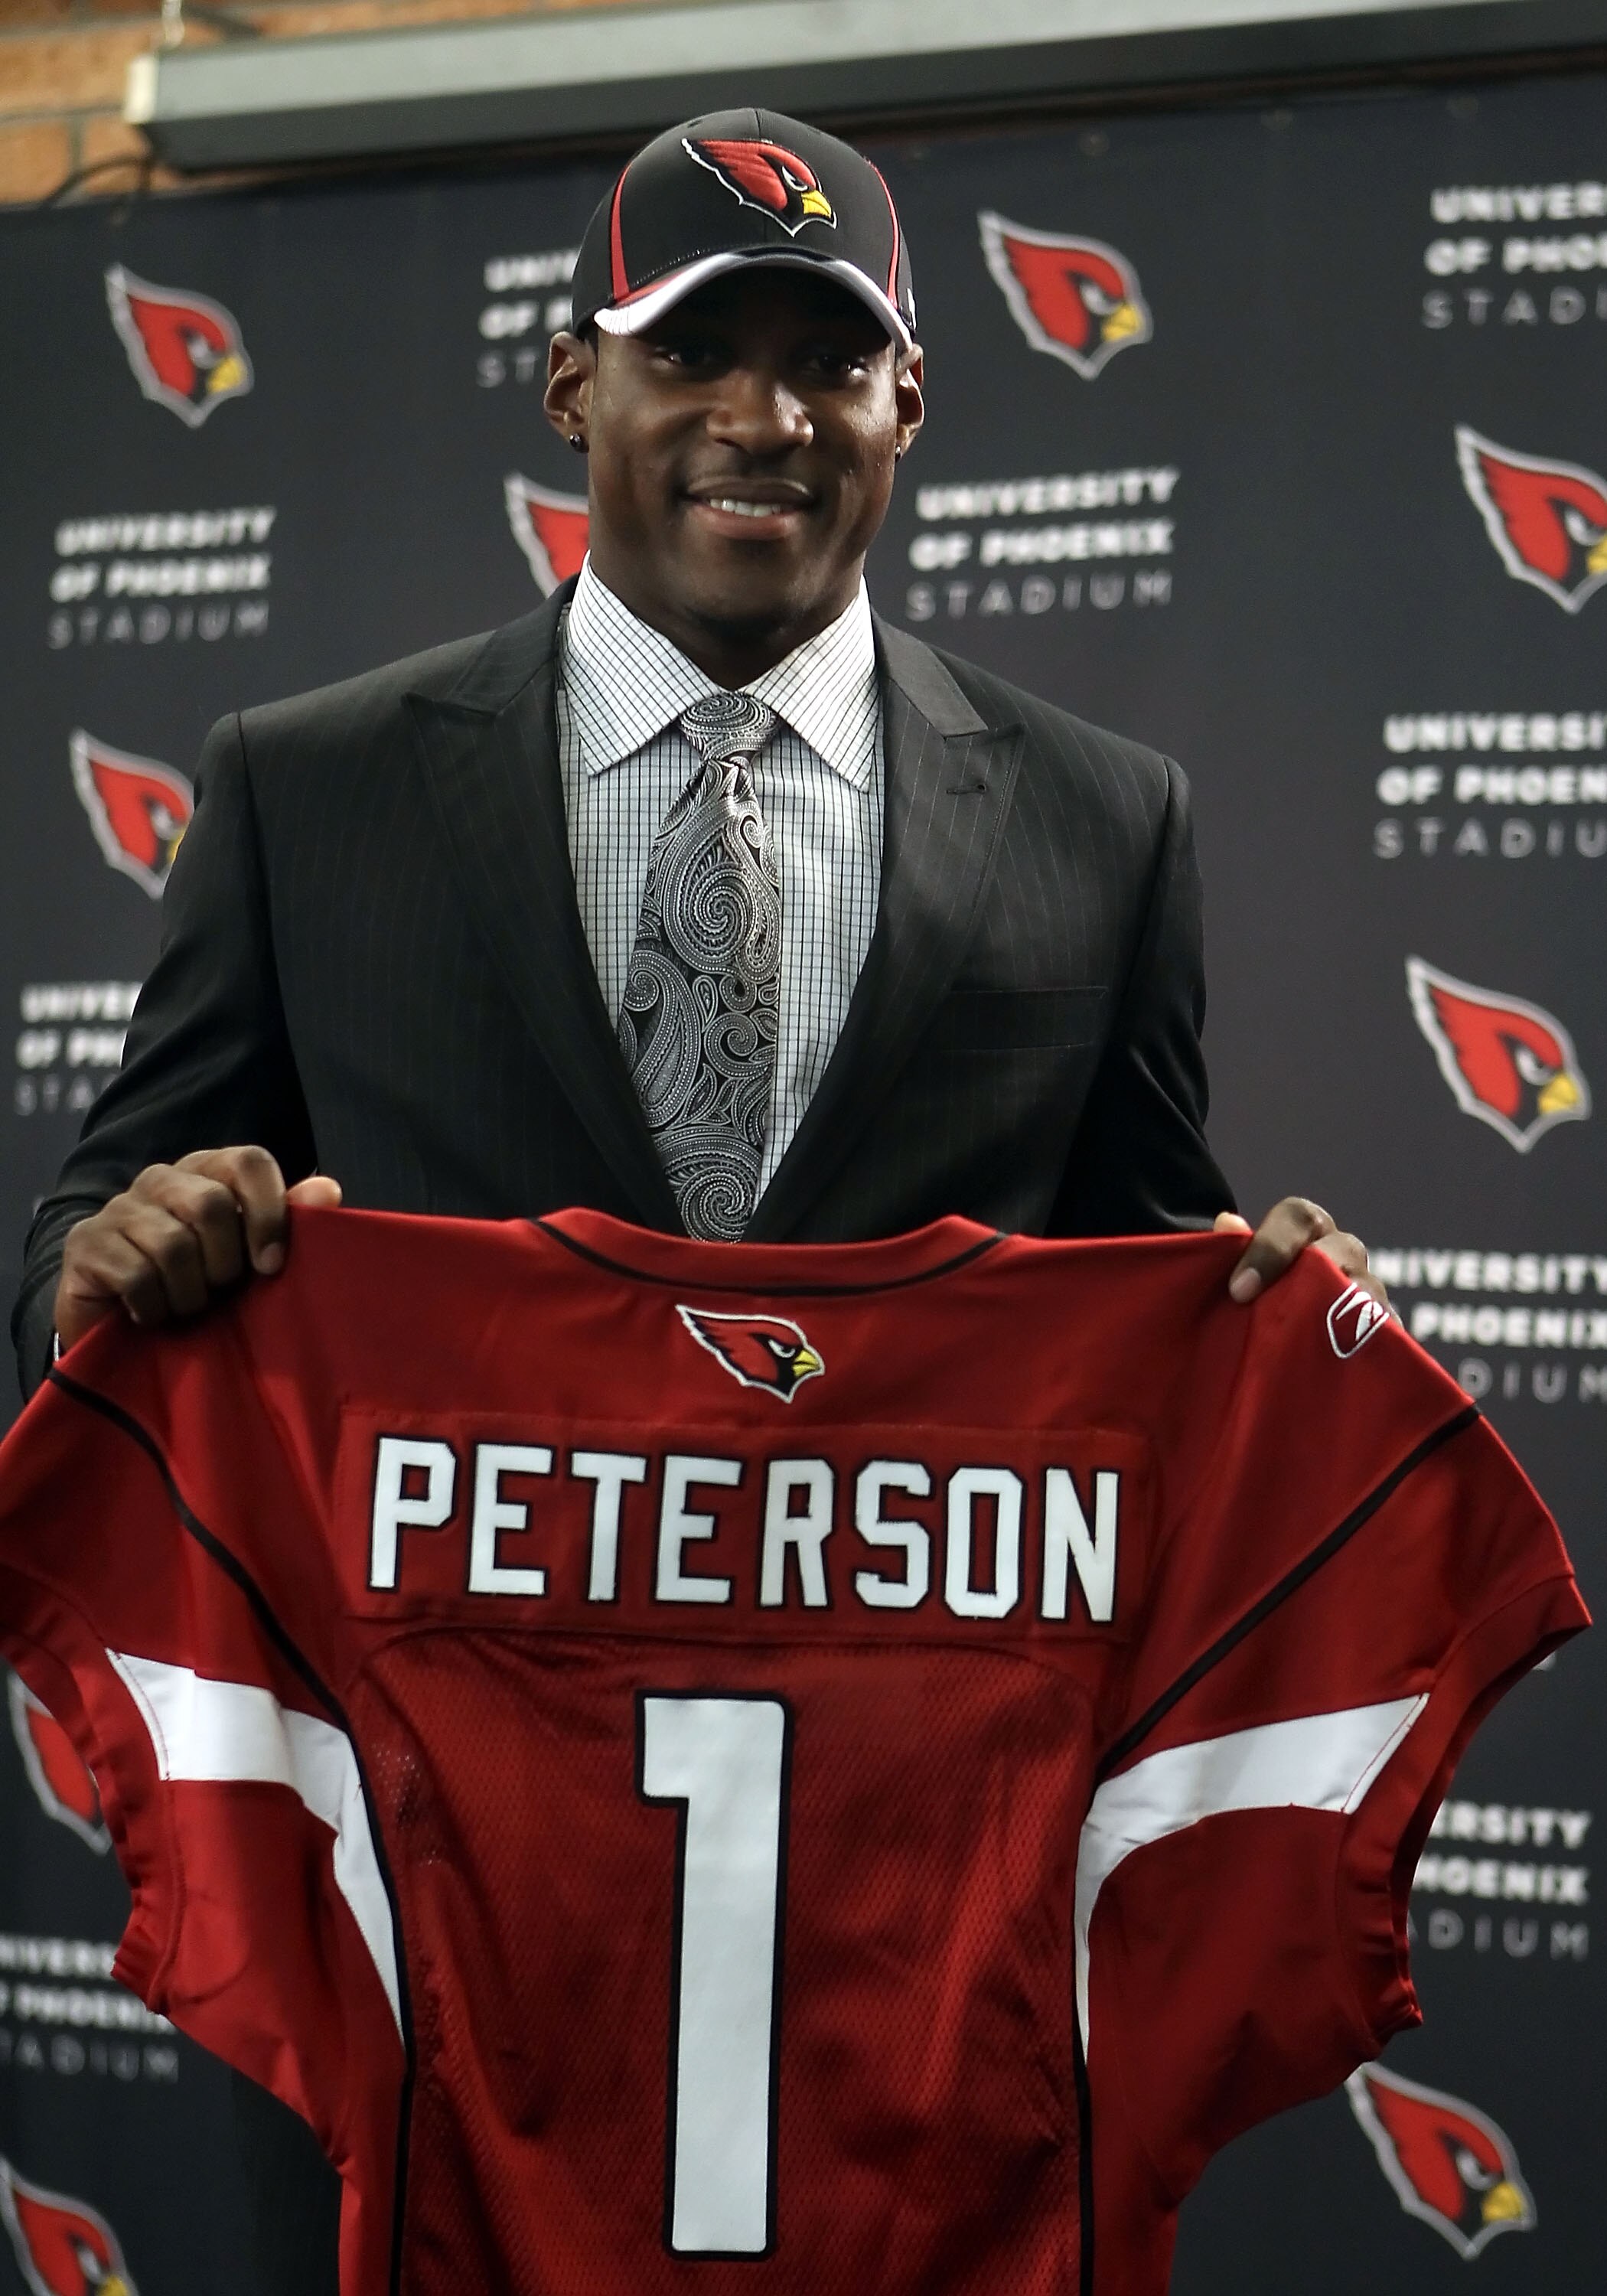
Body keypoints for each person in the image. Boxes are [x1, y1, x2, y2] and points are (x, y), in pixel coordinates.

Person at [11, 108, 1380, 2296]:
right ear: (576, 384)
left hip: (899, 1939)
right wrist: (113, 1270)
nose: (762, 419)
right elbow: (79, 1263)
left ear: (909, 403)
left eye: (827, 362)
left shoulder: (1103, 822)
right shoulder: (311, 785)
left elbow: (1142, 1292)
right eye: (696, 353)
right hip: (439, 1897)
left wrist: (1265, 1318)